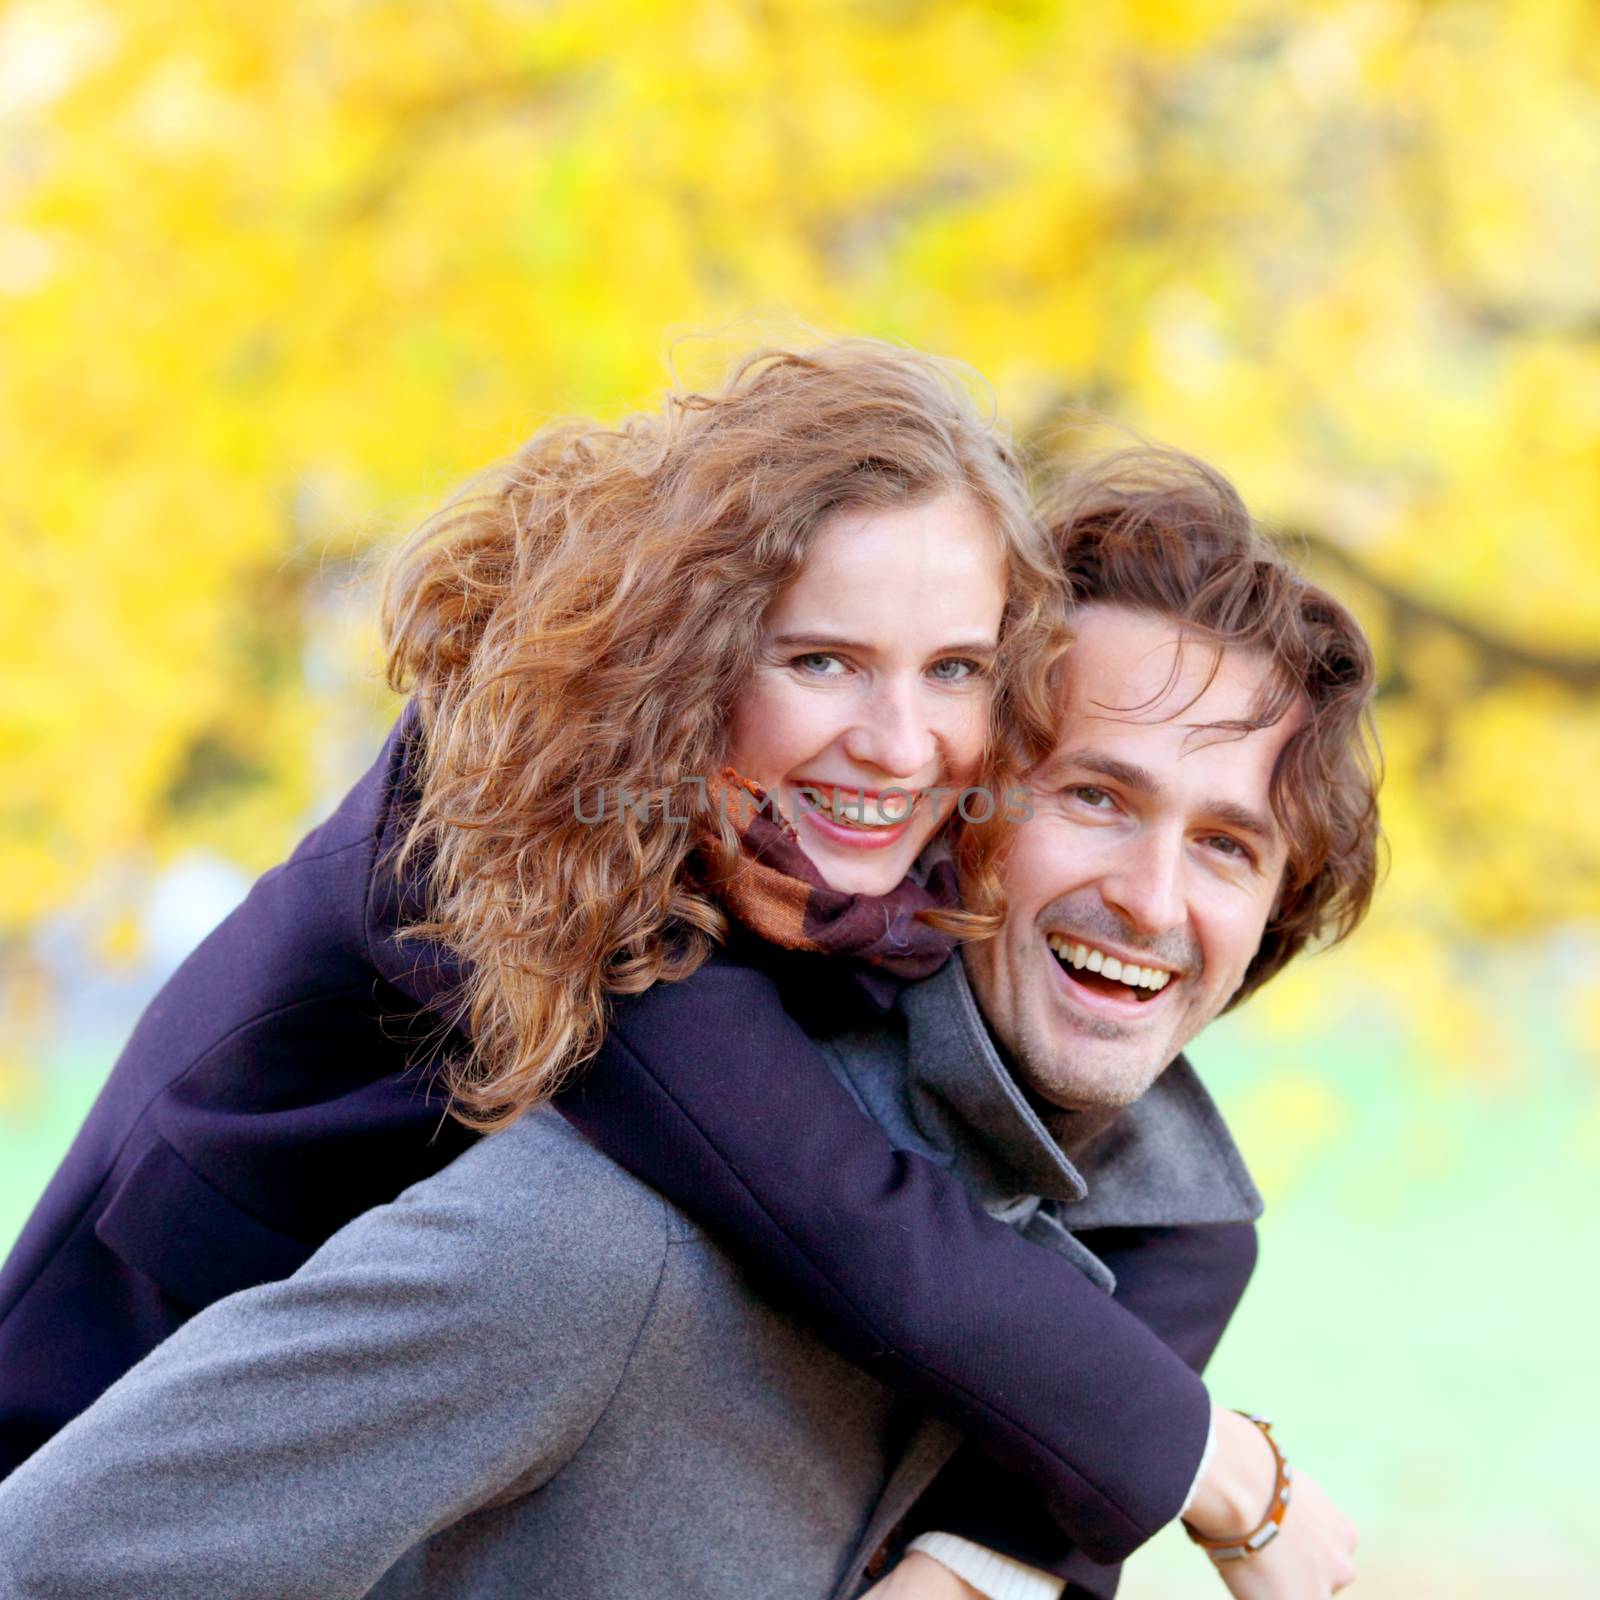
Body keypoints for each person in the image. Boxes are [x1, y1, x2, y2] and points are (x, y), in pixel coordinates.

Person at [0, 345, 1367, 1587]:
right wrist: (1212, 1462)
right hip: (102, 1428)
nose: (900, 744)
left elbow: (1147, 1196)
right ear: (691, 653)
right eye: (822, 659)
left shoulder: (828, 866)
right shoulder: (535, 840)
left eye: (954, 670)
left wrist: (988, 1558)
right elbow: (846, 1212)